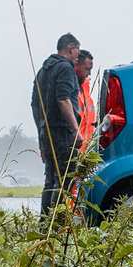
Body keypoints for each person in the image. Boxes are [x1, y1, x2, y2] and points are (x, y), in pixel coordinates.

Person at [31, 33, 82, 214]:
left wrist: (41, 135)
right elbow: (63, 99)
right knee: (65, 179)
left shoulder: (43, 71)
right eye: (77, 50)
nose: (78, 54)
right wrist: (76, 130)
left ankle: (45, 223)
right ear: (70, 48)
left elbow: (35, 105)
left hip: (47, 133)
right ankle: (57, 224)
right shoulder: (65, 68)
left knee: (50, 181)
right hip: (63, 133)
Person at [75, 49, 96, 152]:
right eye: (87, 69)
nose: (89, 73)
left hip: (86, 155)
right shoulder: (68, 92)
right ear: (76, 66)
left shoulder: (88, 96)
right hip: (71, 155)